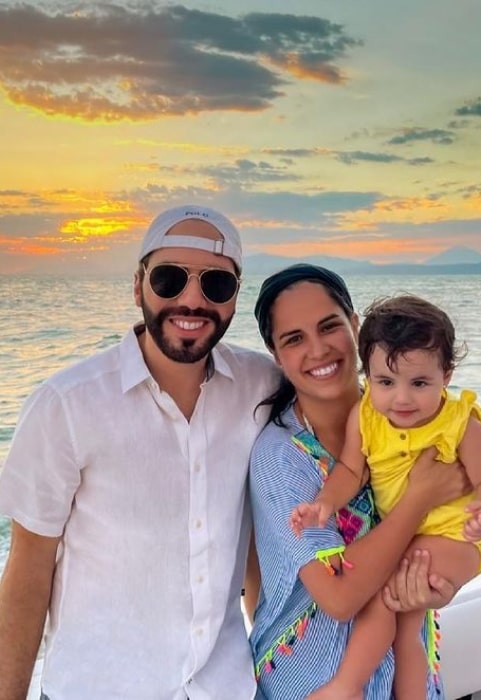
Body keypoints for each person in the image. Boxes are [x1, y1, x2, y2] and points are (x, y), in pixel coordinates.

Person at [0, 205, 281, 700]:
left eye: (215, 285)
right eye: (169, 279)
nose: (192, 301)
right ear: (138, 287)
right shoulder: (67, 405)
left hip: (227, 689)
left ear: (235, 297)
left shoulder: (263, 387)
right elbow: (27, 573)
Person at [249, 264, 470, 700]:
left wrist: (439, 580)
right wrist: (419, 499)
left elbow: (451, 523)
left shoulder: (411, 418)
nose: (317, 349)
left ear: (355, 326)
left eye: (329, 327)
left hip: (406, 671)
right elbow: (339, 597)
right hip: (314, 680)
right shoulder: (282, 457)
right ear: (277, 355)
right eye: (294, 339)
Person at [290, 294, 481, 699]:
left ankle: (346, 687)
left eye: (419, 383)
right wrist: (324, 504)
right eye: (385, 382)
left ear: (447, 374)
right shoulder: (366, 415)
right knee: (406, 627)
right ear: (366, 375)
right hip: (409, 533)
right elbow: (351, 471)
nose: (401, 399)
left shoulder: (459, 423)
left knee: (383, 598)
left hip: (454, 539)